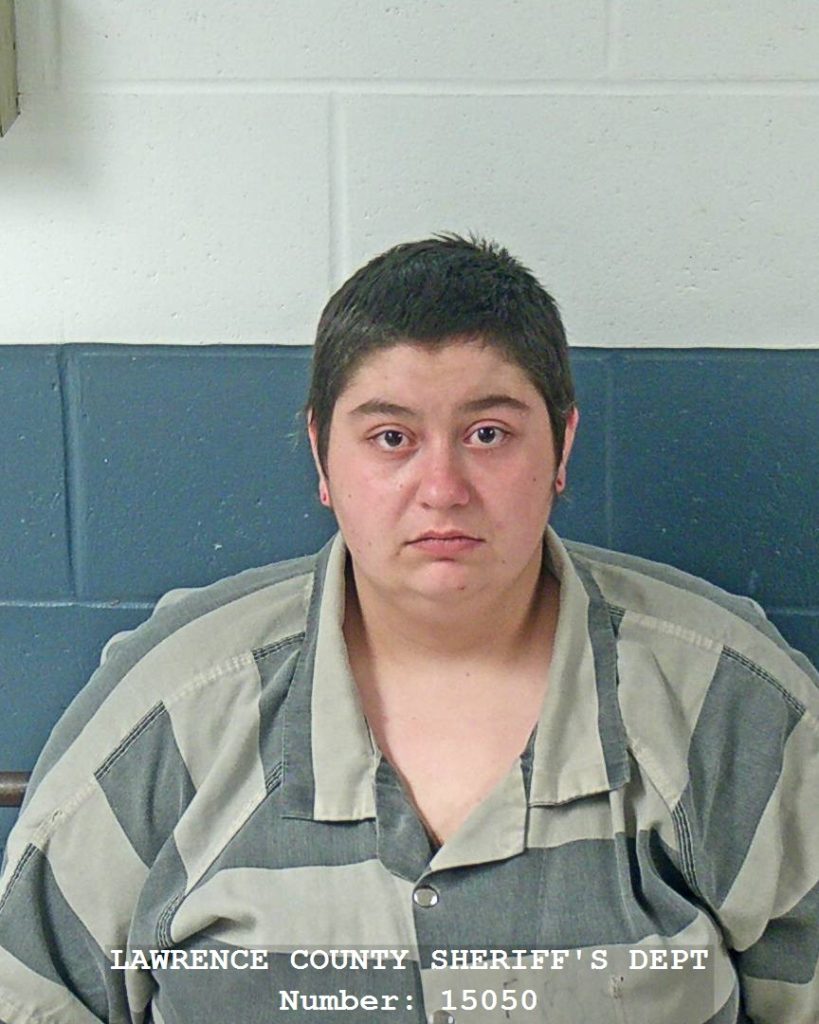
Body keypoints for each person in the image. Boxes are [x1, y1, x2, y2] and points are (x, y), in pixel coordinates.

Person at [0, 235, 816, 1024]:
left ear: (561, 446)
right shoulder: (171, 712)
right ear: (322, 455)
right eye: (391, 438)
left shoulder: (731, 707)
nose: (442, 488)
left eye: (487, 435)